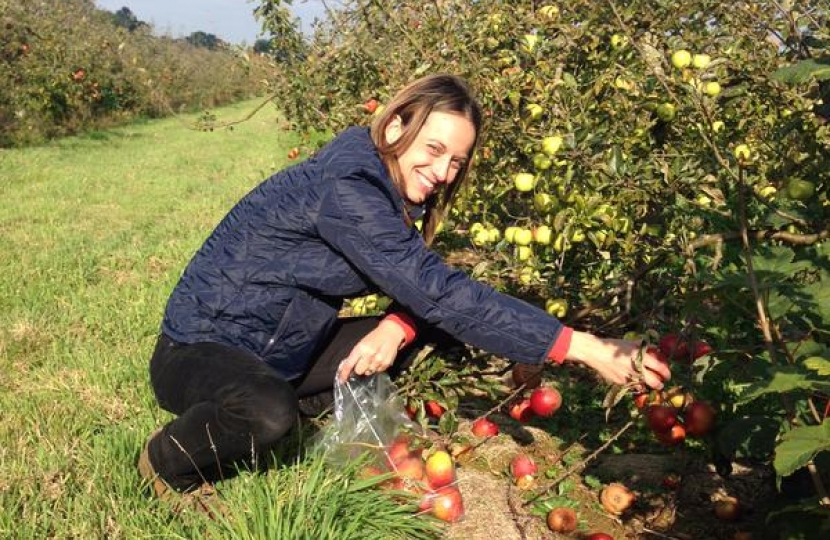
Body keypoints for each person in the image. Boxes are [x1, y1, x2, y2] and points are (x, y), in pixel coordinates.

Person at [138, 73, 670, 506]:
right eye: (434, 148)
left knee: (428, 328)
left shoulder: (385, 191)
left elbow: (425, 288)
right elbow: (439, 290)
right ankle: (165, 463)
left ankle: (309, 417)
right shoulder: (348, 190)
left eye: (457, 161)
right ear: (395, 127)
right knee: (267, 410)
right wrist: (582, 346)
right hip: (197, 352)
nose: (443, 171)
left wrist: (398, 324)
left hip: (281, 347)